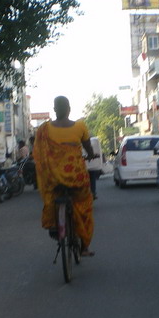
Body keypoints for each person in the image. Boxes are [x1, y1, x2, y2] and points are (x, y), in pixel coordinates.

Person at [33, 96, 96, 256]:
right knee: (84, 203)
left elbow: (38, 155)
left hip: (53, 178)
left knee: (52, 197)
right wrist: (90, 155)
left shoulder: (44, 129)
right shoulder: (80, 126)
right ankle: (84, 247)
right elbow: (88, 148)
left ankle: (55, 225)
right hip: (76, 177)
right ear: (69, 109)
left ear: (54, 109)